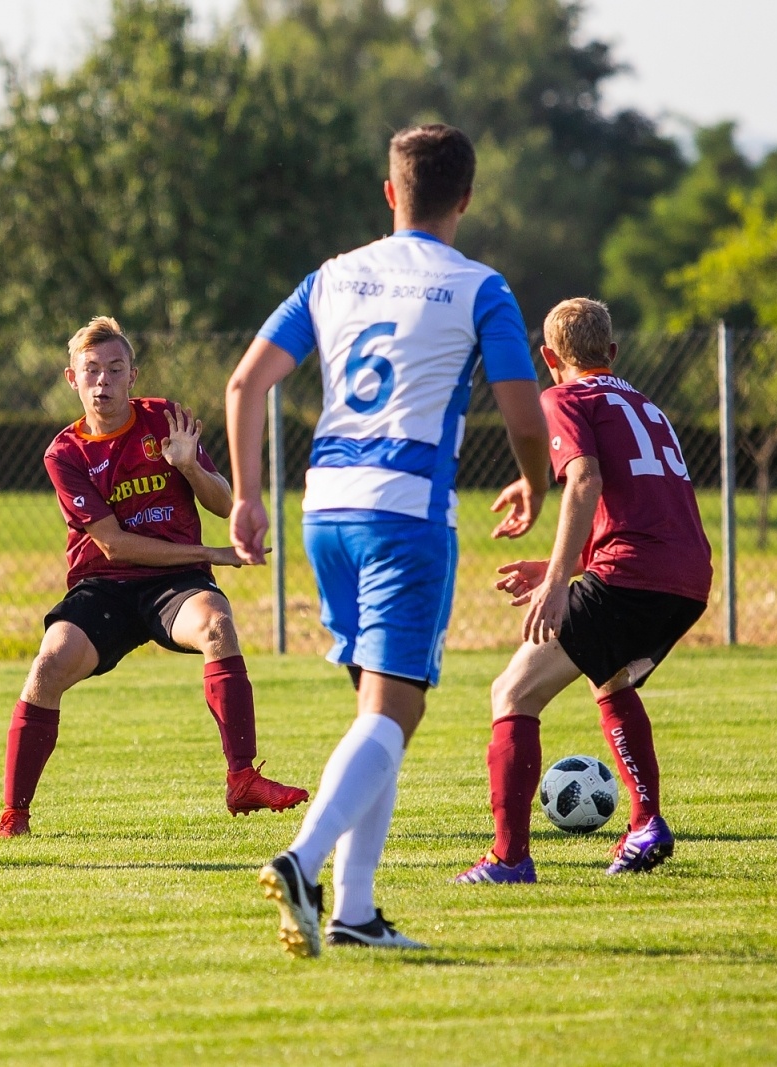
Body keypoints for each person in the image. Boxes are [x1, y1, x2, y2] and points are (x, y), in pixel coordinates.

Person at [227, 124, 551, 956]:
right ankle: (303, 861)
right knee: (395, 712)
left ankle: (356, 910)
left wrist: (246, 499)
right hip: (405, 512)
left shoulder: (332, 277)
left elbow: (246, 381)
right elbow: (523, 412)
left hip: (324, 508)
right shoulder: (481, 287)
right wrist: (535, 478)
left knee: (377, 716)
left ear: (389, 191)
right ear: (467, 199)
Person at [0, 316, 309, 838]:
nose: (103, 382)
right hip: (105, 585)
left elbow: (224, 501)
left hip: (174, 583)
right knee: (48, 663)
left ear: (133, 375)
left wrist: (189, 467)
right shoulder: (64, 453)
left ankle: (243, 779)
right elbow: (113, 543)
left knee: (216, 626)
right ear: (73, 378)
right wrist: (212, 553)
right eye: (91, 370)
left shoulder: (164, 419)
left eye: (115, 369)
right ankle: (14, 816)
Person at [454, 297, 711, 885]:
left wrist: (556, 581)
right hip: (687, 578)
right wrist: (560, 564)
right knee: (610, 677)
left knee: (512, 692)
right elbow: (643, 511)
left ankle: (509, 859)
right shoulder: (646, 406)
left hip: (632, 574)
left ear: (548, 358)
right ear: (612, 353)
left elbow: (586, 480)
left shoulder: (562, 397)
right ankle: (645, 823)